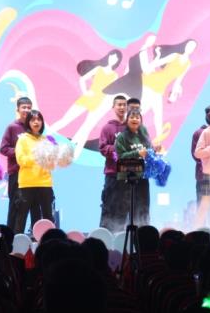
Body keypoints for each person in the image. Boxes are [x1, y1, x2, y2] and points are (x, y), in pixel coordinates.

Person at [49, 49, 123, 160]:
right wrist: (85, 92)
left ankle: (75, 155)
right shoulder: (99, 69)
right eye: (112, 56)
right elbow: (82, 79)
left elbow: (110, 93)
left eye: (116, 58)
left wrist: (104, 106)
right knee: (65, 120)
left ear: (117, 61)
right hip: (87, 98)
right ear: (108, 56)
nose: (113, 59)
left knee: (86, 129)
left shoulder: (115, 76)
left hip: (98, 103)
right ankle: (46, 135)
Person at [13, 110, 56, 234]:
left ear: (42, 122)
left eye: (39, 119)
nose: (36, 122)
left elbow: (51, 164)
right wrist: (37, 156)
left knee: (48, 217)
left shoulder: (47, 140)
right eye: (33, 120)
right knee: (21, 217)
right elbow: (21, 160)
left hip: (45, 183)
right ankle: (17, 242)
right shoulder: (23, 139)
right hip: (27, 184)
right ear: (28, 123)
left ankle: (50, 241)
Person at [114, 107, 157, 226]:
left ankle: (144, 230)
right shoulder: (121, 137)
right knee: (127, 207)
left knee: (143, 207)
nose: (135, 119)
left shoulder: (144, 136)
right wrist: (137, 153)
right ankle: (125, 232)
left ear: (141, 120)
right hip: (127, 178)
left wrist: (154, 150)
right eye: (132, 117)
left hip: (142, 177)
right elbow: (121, 156)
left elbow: (148, 153)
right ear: (127, 120)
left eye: (137, 117)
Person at [0, 96, 33, 231]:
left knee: (31, 207)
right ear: (17, 109)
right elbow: (3, 148)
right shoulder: (12, 127)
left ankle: (28, 235)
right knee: (15, 206)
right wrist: (20, 152)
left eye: (29, 107)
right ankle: (10, 236)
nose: (26, 110)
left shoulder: (34, 127)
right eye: (23, 107)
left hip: (32, 175)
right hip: (16, 173)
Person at [98, 94, 128, 232]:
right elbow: (103, 148)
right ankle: (105, 236)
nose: (122, 107)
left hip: (127, 174)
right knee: (108, 206)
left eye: (124, 105)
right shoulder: (107, 128)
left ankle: (122, 236)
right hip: (112, 174)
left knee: (124, 208)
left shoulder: (131, 127)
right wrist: (116, 148)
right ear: (113, 107)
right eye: (119, 105)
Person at [191, 105, 210, 206]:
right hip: (204, 176)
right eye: (208, 114)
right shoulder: (199, 133)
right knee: (203, 208)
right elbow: (196, 155)